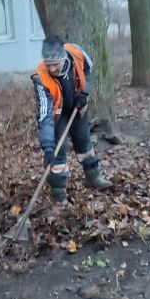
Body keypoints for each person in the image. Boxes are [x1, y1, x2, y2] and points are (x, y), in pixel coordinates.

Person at [32, 34, 112, 203]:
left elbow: (88, 70)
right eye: (48, 65)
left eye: (55, 64)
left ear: (63, 57)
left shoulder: (76, 53)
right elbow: (45, 115)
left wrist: (84, 93)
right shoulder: (41, 78)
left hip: (78, 105)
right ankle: (58, 193)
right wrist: (47, 147)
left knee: (84, 141)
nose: (52, 69)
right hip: (58, 114)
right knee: (57, 152)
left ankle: (93, 176)